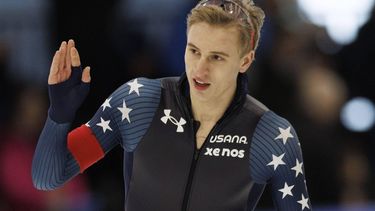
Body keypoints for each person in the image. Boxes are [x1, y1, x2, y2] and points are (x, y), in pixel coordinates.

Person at [32, 0, 311, 210]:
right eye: (194, 51)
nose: (199, 69)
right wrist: (59, 114)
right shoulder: (138, 103)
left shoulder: (271, 134)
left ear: (245, 61)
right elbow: (47, 179)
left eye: (217, 57)